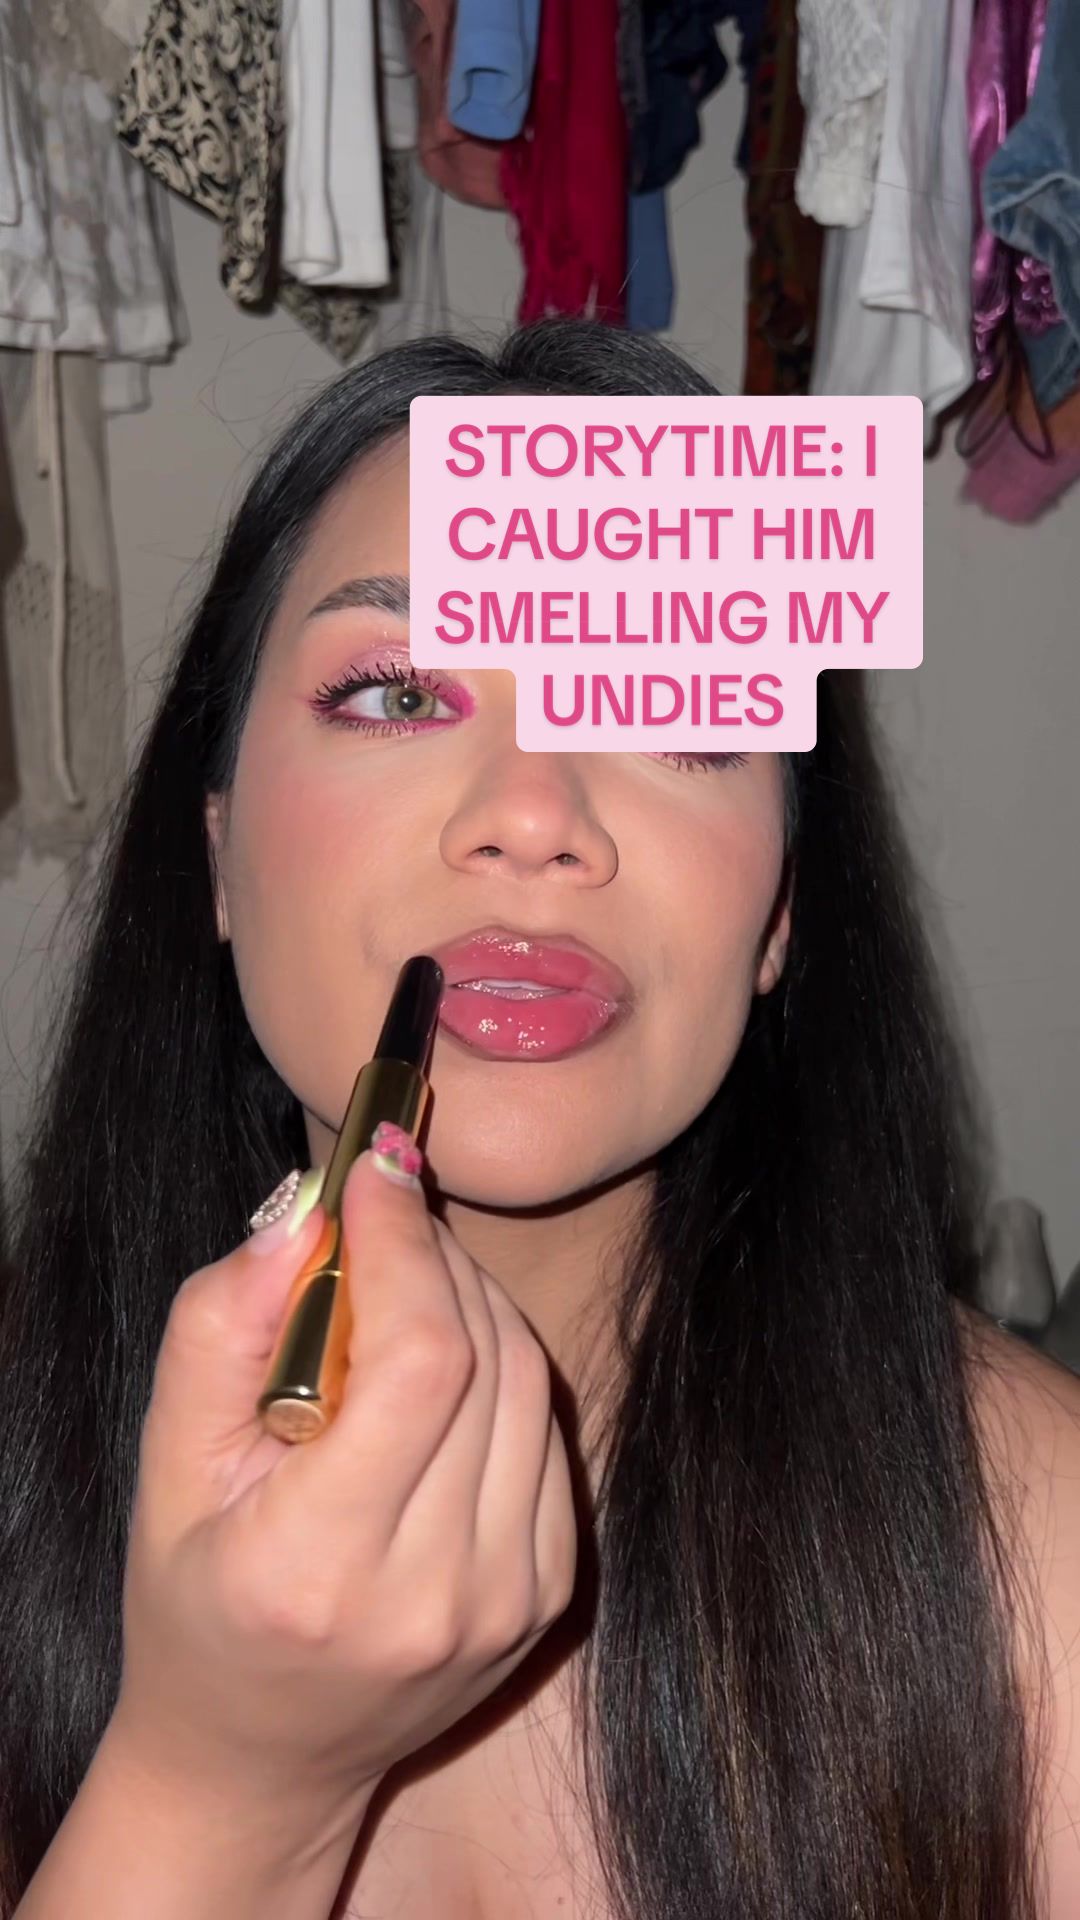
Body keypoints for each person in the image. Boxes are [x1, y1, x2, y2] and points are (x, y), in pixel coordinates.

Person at [0, 314, 1077, 1920]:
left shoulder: (1043, 1553)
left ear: (780, 911)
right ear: (216, 854)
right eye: (396, 693)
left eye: (671, 707)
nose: (532, 812)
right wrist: (214, 1785)